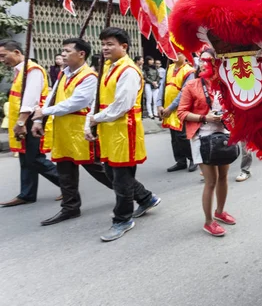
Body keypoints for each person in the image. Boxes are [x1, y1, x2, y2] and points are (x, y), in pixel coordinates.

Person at [85, 27, 161, 242]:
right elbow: (99, 98)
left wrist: (96, 119)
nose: (105, 48)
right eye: (103, 44)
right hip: (109, 130)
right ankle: (146, 198)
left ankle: (122, 219)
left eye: (110, 44)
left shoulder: (128, 70)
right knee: (111, 173)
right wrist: (93, 122)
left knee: (120, 178)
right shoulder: (108, 67)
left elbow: (122, 105)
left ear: (124, 47)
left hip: (124, 131)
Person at [31, 38, 113, 225]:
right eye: (63, 51)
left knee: (98, 169)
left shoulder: (89, 77)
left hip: (80, 131)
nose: (63, 54)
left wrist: (45, 112)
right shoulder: (63, 74)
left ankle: (136, 194)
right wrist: (38, 119)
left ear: (81, 54)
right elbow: (51, 98)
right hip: (63, 130)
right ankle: (70, 207)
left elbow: (77, 102)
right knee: (65, 170)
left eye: (67, 51)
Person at [177, 48, 236, 237]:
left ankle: (220, 212)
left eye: (211, 60)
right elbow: (182, 113)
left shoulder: (226, 84)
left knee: (224, 177)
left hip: (224, 134)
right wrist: (205, 118)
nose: (206, 64)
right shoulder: (192, 85)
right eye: (203, 60)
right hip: (202, 137)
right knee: (210, 181)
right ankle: (208, 221)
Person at [0, 40, 60, 207]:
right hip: (24, 119)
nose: (2, 60)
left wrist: (21, 122)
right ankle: (27, 193)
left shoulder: (32, 70)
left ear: (17, 52)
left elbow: (30, 99)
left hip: (31, 119)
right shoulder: (19, 71)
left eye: (4, 55)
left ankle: (67, 185)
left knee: (34, 158)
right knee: (25, 157)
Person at [157, 53, 197, 172]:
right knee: (174, 137)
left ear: (185, 55)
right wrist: (159, 104)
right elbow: (162, 87)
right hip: (167, 107)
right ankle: (180, 161)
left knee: (182, 136)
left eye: (179, 53)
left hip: (181, 108)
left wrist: (171, 107)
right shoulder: (169, 68)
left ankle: (193, 158)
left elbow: (185, 91)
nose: (175, 55)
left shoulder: (189, 71)